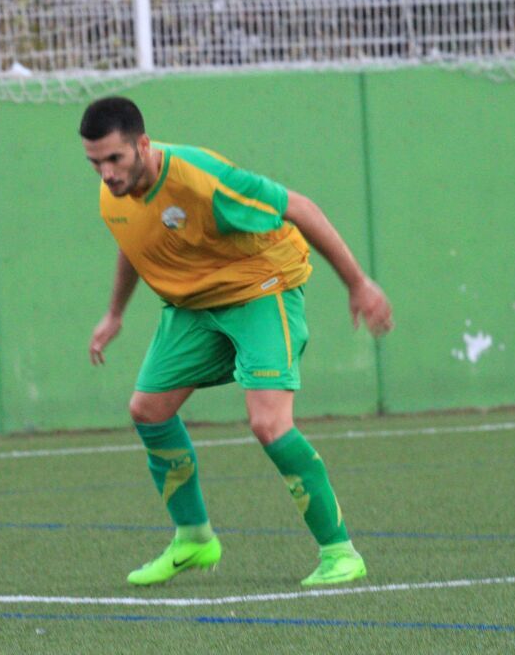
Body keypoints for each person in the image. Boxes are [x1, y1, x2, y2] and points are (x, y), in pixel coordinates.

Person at [80, 96, 392, 588]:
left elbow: (301, 207)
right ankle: (194, 538)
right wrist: (115, 313)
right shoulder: (111, 195)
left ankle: (340, 552)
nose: (106, 173)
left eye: (114, 159)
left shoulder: (201, 178)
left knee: (268, 423)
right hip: (194, 304)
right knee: (148, 410)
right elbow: (133, 243)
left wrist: (358, 283)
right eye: (95, 162)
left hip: (261, 288)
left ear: (142, 144)